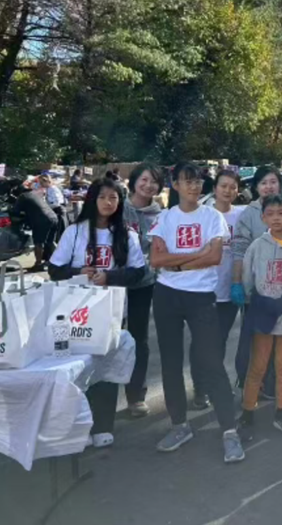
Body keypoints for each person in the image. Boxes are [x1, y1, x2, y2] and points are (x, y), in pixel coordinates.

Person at [148, 161, 245, 464]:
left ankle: (229, 431)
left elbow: (214, 257)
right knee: (171, 363)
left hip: (201, 296)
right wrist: (194, 255)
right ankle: (179, 426)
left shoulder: (212, 216)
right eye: (187, 181)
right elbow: (155, 260)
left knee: (211, 362)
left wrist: (176, 262)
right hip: (167, 295)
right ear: (175, 185)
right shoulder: (165, 218)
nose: (193, 186)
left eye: (197, 181)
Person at [49, 177, 146, 448]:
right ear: (92, 200)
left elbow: (138, 272)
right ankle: (79, 426)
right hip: (74, 314)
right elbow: (54, 269)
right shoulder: (74, 232)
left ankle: (103, 425)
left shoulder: (126, 235)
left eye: (113, 198)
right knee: (77, 369)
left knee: (106, 368)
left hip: (111, 313)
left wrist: (110, 276)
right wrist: (79, 271)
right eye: (102, 197)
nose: (108, 202)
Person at [236, 194, 282, 441]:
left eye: (281, 213)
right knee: (257, 365)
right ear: (263, 218)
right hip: (263, 314)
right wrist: (257, 299)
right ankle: (247, 412)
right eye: (270, 214)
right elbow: (248, 277)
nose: (276, 218)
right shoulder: (258, 246)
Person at [191, 170, 245, 410]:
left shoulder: (241, 215)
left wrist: (239, 283)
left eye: (233, 187)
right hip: (203, 290)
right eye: (223, 186)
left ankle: (214, 384)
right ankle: (200, 387)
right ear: (214, 188)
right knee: (201, 341)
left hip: (229, 289)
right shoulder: (202, 215)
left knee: (219, 341)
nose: (228, 190)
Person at [231, 166, 282, 395]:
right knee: (253, 338)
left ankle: (271, 384)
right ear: (256, 187)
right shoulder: (249, 214)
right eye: (264, 183)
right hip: (256, 288)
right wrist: (237, 282)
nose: (269, 187)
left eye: (273, 181)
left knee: (278, 338)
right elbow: (239, 251)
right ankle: (248, 381)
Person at [122, 162, 164, 418]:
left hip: (144, 284)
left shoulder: (161, 216)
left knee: (138, 339)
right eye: (144, 180)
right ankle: (98, 400)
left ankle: (136, 395)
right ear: (134, 181)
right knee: (106, 340)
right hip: (112, 283)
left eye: (154, 181)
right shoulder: (117, 208)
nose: (148, 185)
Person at [11, 184, 58, 271]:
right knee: (50, 241)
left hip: (41, 220)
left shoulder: (22, 196)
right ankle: (57, 262)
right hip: (53, 217)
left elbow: (15, 213)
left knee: (38, 242)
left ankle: (38, 264)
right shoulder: (35, 194)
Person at [38, 173, 67, 241]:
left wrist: (46, 207)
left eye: (41, 182)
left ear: (46, 181)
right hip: (55, 211)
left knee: (59, 233)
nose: (40, 184)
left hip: (59, 212)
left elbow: (56, 203)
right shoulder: (48, 189)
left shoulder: (53, 189)